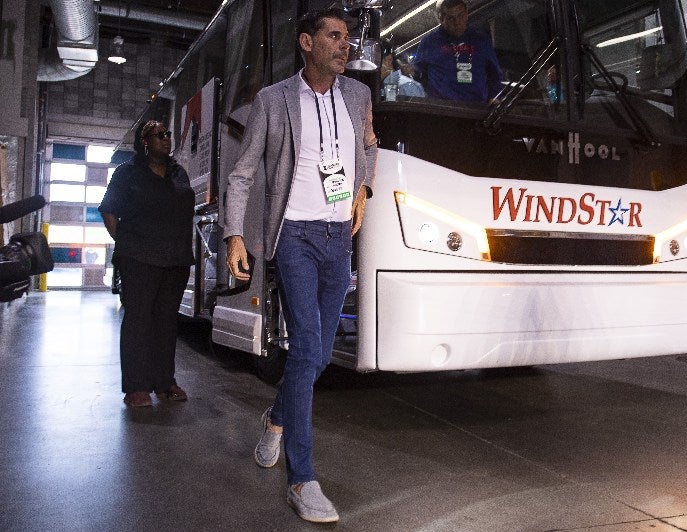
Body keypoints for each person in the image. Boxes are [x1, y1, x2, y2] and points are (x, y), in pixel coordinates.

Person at [222, 8, 377, 524]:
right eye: (334, 36)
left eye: (348, 37)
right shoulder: (273, 100)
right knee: (308, 346)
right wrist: (235, 234)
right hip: (294, 235)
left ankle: (277, 418)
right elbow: (242, 174)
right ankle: (302, 479)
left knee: (316, 354)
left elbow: (369, 147)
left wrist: (363, 188)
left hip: (339, 238)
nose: (345, 45)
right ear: (306, 42)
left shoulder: (358, 95)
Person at [98, 120, 194, 408]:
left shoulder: (179, 174)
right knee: (139, 320)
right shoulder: (127, 174)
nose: (167, 139)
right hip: (138, 257)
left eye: (168, 135)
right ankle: (137, 387)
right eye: (159, 135)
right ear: (144, 141)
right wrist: (129, 242)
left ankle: (165, 382)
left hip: (175, 259)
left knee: (166, 322)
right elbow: (109, 211)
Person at [409, 0, 503, 102]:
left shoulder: (481, 41)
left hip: (477, 111)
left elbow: (495, 76)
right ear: (441, 19)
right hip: (441, 110)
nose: (457, 22)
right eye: (450, 18)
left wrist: (495, 98)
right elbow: (417, 75)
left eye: (461, 16)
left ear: (467, 15)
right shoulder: (429, 42)